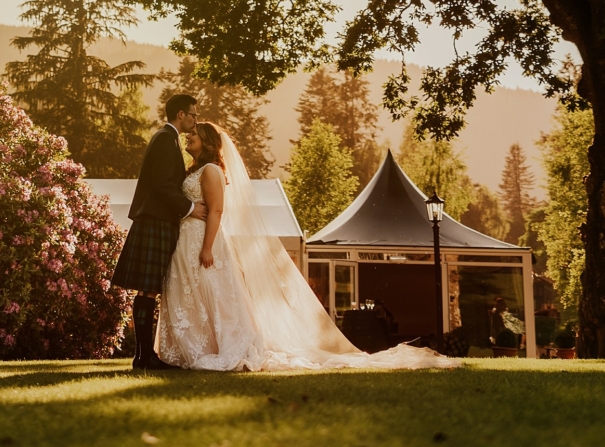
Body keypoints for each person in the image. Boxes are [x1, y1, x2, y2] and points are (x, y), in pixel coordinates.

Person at [157, 122, 460, 371]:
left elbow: (217, 211)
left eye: (194, 134)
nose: (189, 137)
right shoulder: (196, 169)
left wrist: (207, 247)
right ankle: (193, 347)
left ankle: (218, 348)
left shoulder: (211, 170)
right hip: (187, 240)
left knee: (212, 295)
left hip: (203, 241)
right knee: (194, 294)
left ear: (208, 141)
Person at [110, 94, 208, 370]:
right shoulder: (166, 141)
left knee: (147, 291)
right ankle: (144, 357)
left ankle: (143, 356)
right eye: (193, 114)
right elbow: (164, 186)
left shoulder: (166, 139)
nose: (194, 119)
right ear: (180, 114)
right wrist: (191, 208)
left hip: (154, 220)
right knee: (148, 291)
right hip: (155, 221)